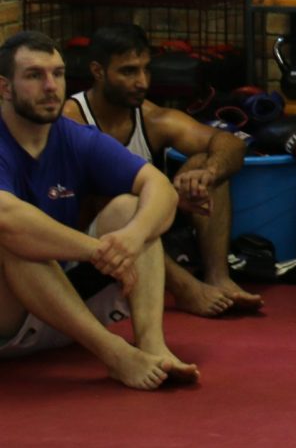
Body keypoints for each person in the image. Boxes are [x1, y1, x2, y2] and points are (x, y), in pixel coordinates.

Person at [0, 30, 198, 389]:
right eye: (34, 75)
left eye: (58, 74)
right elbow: (8, 218)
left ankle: (153, 345)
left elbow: (161, 189)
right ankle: (116, 354)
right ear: (5, 88)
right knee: (15, 242)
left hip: (62, 306)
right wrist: (97, 251)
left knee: (132, 209)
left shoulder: (74, 136)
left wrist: (133, 237)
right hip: (9, 320)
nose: (51, 86)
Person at [63, 25, 262, 317]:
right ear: (98, 71)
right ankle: (186, 289)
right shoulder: (71, 120)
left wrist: (207, 173)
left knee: (204, 164)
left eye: (146, 70)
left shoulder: (152, 117)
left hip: (146, 224)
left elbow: (230, 143)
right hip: (91, 240)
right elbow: (88, 201)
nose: (142, 82)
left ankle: (218, 277)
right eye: (129, 72)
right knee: (116, 201)